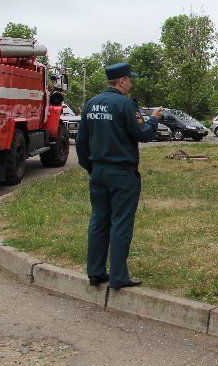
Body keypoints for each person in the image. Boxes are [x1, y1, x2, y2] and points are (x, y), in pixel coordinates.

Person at [75, 62, 163, 289]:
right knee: (121, 223)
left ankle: (95, 272)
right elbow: (142, 133)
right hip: (122, 174)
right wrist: (153, 119)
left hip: (99, 172)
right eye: (130, 79)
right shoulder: (126, 105)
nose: (131, 83)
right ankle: (118, 276)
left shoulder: (91, 104)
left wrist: (91, 168)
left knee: (99, 220)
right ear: (121, 81)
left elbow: (81, 142)